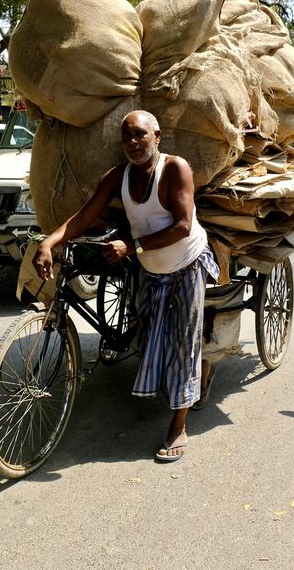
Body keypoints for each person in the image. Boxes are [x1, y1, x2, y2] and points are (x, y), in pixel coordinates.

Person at [34, 110, 219, 462]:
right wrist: (49, 242)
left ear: (157, 136)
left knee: (182, 342)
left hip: (186, 264)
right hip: (150, 268)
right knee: (148, 335)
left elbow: (182, 226)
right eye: (127, 137)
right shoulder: (117, 176)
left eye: (139, 135)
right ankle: (200, 372)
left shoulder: (175, 168)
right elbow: (83, 216)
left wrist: (131, 247)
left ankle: (178, 424)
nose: (133, 142)